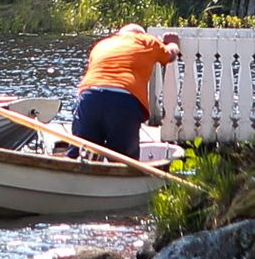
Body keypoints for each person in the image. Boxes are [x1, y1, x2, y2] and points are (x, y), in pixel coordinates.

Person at [70, 22, 179, 159]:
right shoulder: (147, 41)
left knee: (82, 153)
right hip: (124, 100)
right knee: (123, 160)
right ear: (141, 34)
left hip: (89, 97)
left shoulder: (102, 44)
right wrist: (173, 44)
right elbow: (170, 56)